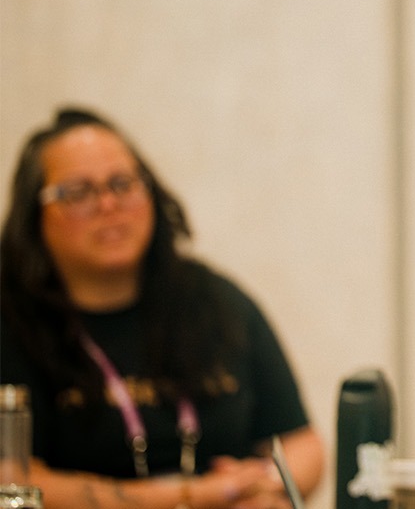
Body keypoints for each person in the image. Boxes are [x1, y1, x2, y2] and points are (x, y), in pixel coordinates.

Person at [0, 108, 325, 509]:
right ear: (33, 216)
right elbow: (13, 478)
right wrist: (191, 496)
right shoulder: (11, 317)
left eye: (122, 184)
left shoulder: (214, 300)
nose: (107, 204)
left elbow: (300, 443)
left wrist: (264, 487)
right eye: (79, 193)